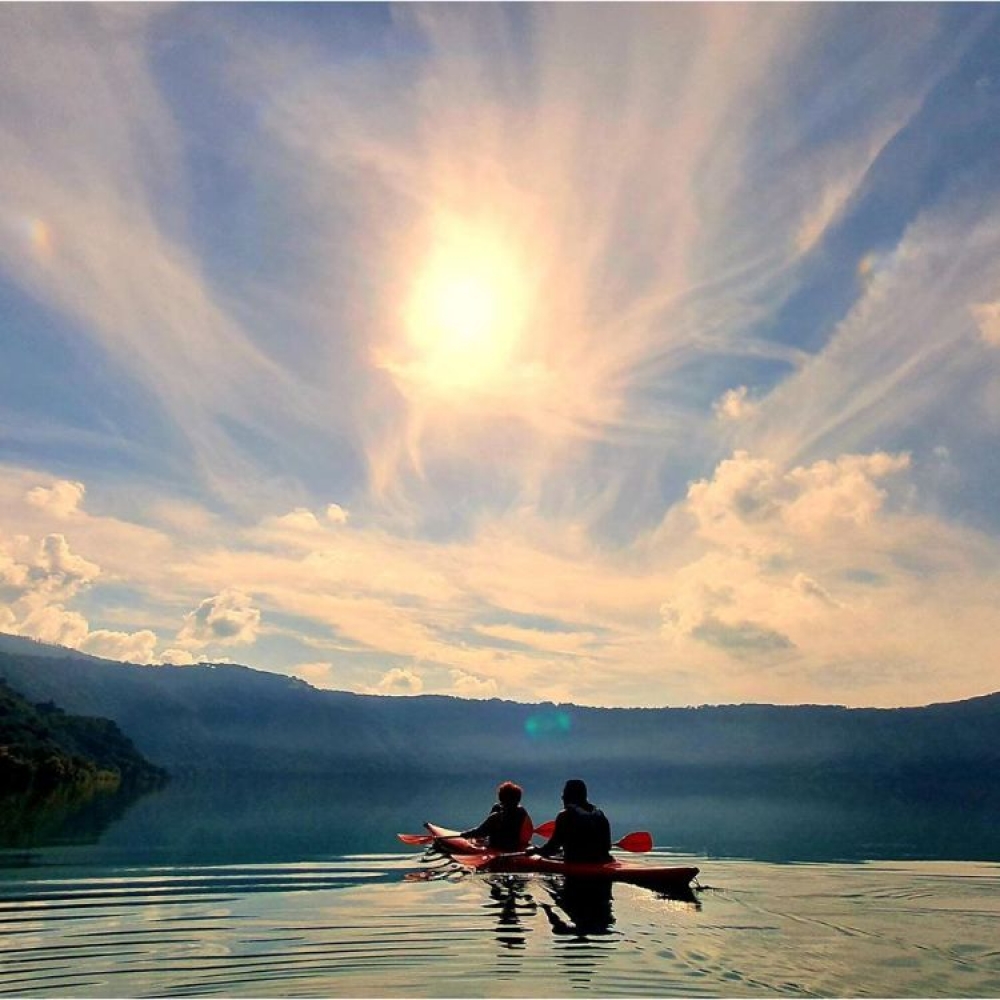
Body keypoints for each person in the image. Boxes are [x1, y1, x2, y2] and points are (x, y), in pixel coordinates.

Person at [535, 778, 612, 864]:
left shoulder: (565, 815)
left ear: (569, 796)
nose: (562, 797)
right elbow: (607, 847)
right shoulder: (600, 814)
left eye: (564, 793)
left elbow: (552, 848)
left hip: (577, 863)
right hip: (602, 860)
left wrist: (535, 851)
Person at [460, 780, 533, 851]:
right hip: (515, 845)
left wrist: (464, 834)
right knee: (496, 806)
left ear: (501, 798)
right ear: (518, 799)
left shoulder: (497, 816)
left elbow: (480, 832)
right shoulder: (522, 811)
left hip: (499, 847)